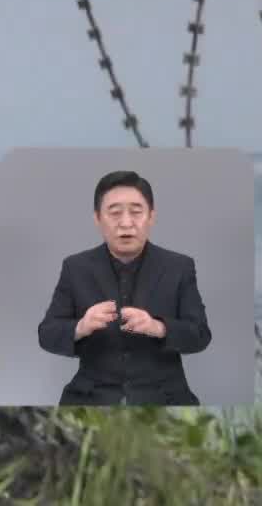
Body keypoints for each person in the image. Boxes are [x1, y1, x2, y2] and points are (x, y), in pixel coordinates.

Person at [36, 169, 211, 405]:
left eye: (136, 212)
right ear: (97, 218)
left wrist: (158, 327)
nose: (126, 223)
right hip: (92, 397)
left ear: (151, 217)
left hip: (165, 396)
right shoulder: (75, 267)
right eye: (115, 213)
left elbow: (200, 335)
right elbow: (47, 333)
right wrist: (81, 326)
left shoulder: (179, 266)